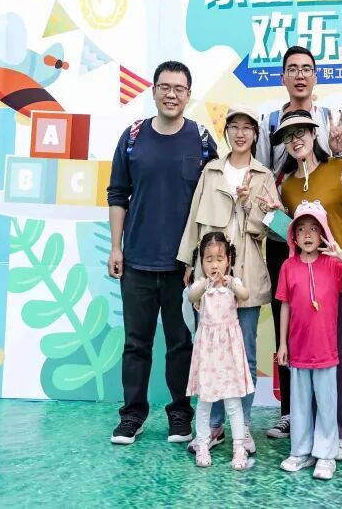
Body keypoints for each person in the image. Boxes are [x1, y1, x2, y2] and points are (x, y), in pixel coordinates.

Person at [108, 60, 217, 446]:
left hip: (182, 267)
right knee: (136, 344)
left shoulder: (201, 140)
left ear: (189, 94)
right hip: (136, 261)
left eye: (179, 88)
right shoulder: (133, 137)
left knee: (180, 344)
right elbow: (118, 194)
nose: (172, 94)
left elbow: (213, 198)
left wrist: (202, 259)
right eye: (165, 87)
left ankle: (180, 414)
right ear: (154, 91)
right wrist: (116, 247)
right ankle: (132, 416)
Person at [256, 45, 342, 441]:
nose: (299, 75)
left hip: (320, 237)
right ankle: (290, 412)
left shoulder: (326, 120)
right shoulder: (268, 122)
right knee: (288, 321)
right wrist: (273, 214)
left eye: (306, 68)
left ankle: (329, 417)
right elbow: (263, 175)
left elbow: (337, 172)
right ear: (282, 77)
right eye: (292, 69)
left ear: (315, 76)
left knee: (322, 323)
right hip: (282, 234)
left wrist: (339, 151)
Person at [268, 109, 342, 460]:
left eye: (301, 132)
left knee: (339, 354)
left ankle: (341, 429)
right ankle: (312, 432)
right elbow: (292, 233)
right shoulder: (288, 186)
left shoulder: (338, 166)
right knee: (312, 357)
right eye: (288, 135)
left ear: (314, 134)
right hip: (312, 280)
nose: (295, 140)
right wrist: (271, 213)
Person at [177, 104, 273, 456]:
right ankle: (214, 426)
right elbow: (194, 218)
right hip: (211, 276)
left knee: (245, 354)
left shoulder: (264, 175)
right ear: (227, 132)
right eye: (234, 126)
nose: (240, 133)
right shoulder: (212, 171)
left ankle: (242, 428)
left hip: (245, 276)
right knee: (211, 352)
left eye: (247, 127)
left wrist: (247, 206)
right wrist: (189, 261)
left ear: (255, 134)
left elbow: (271, 229)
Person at [276, 200, 342, 480]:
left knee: (327, 404)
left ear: (323, 233)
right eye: (301, 229)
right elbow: (285, 305)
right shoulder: (288, 267)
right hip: (298, 351)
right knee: (300, 405)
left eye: (314, 228)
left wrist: (340, 253)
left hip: (326, 350)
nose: (307, 234)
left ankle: (326, 456)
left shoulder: (333, 265)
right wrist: (282, 344)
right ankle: (300, 452)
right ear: (294, 236)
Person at [186, 232, 256, 470]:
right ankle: (202, 444)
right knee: (204, 401)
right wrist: (203, 284)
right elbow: (191, 296)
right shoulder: (201, 287)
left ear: (228, 260)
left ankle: (239, 447)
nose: (214, 265)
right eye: (208, 259)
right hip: (207, 354)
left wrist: (232, 283)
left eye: (219, 259)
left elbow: (245, 295)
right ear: (201, 262)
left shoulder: (232, 284)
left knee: (233, 402)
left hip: (229, 353)